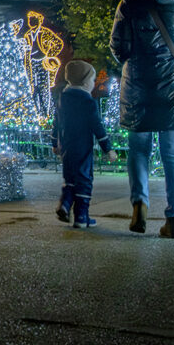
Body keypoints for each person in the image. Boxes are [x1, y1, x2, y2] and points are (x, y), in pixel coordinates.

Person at [110, 0, 174, 238]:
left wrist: (134, 61)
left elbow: (117, 45)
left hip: (138, 85)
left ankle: (140, 207)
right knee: (173, 155)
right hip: (172, 86)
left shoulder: (129, 3)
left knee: (138, 151)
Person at [53, 60, 118, 228]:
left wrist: (55, 142)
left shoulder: (63, 98)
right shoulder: (88, 101)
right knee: (84, 178)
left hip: (66, 144)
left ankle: (65, 204)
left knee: (70, 178)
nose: (94, 83)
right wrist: (108, 148)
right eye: (92, 80)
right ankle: (82, 216)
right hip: (82, 146)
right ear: (84, 81)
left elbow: (56, 123)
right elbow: (96, 125)